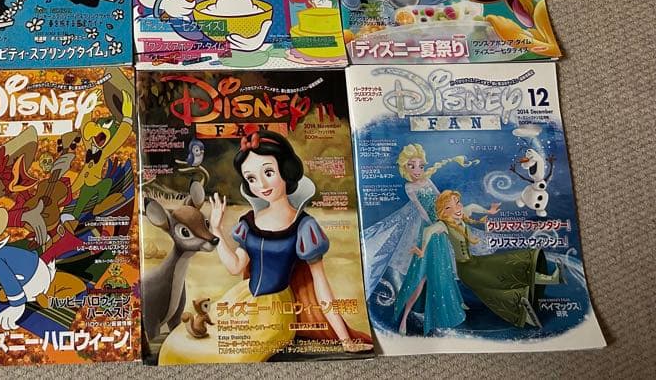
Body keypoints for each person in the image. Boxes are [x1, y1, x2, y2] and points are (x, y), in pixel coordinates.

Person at [203, 129, 370, 359]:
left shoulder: (304, 226)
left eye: (268, 172)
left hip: (276, 310)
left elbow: (321, 286)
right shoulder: (248, 222)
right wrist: (216, 230)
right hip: (243, 300)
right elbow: (235, 267)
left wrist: (346, 340)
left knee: (237, 355)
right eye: (251, 178)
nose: (261, 184)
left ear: (286, 170)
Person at [412, 190, 564, 329]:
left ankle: (552, 279)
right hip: (466, 269)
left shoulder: (461, 215)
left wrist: (489, 211)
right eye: (449, 207)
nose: (457, 208)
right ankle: (523, 312)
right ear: (443, 212)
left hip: (474, 262)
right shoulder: (444, 225)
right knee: (493, 291)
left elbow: (472, 206)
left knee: (508, 266)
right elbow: (428, 230)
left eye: (457, 203)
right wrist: (422, 250)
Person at [390, 145, 476, 334]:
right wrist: (437, 224)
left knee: (444, 269)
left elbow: (440, 199)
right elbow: (421, 210)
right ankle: (404, 317)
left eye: (420, 166)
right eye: (412, 166)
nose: (417, 170)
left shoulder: (427, 180)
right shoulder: (409, 187)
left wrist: (447, 218)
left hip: (440, 226)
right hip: (429, 230)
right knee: (420, 277)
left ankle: (455, 303)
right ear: (405, 168)